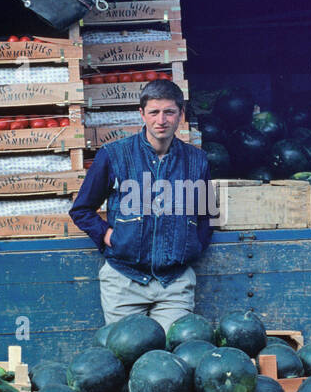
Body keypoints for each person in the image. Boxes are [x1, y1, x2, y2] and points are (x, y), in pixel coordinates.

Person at [69, 79, 213, 329]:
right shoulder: (114, 155)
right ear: (142, 114)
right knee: (126, 354)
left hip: (174, 282)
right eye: (154, 112)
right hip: (124, 280)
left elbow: (207, 215)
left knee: (171, 358)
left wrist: (191, 246)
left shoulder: (196, 160)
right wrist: (107, 236)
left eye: (169, 112)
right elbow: (81, 209)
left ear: (181, 114)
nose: (161, 120)